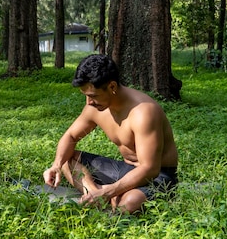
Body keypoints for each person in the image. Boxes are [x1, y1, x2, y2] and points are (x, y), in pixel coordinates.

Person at [43, 54, 178, 213]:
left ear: (112, 87)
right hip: (124, 170)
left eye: (93, 96)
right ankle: (93, 195)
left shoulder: (143, 112)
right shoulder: (95, 108)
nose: (88, 102)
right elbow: (70, 137)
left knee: (129, 203)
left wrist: (109, 191)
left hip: (158, 177)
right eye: (85, 96)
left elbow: (150, 168)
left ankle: (108, 196)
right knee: (66, 158)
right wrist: (56, 165)